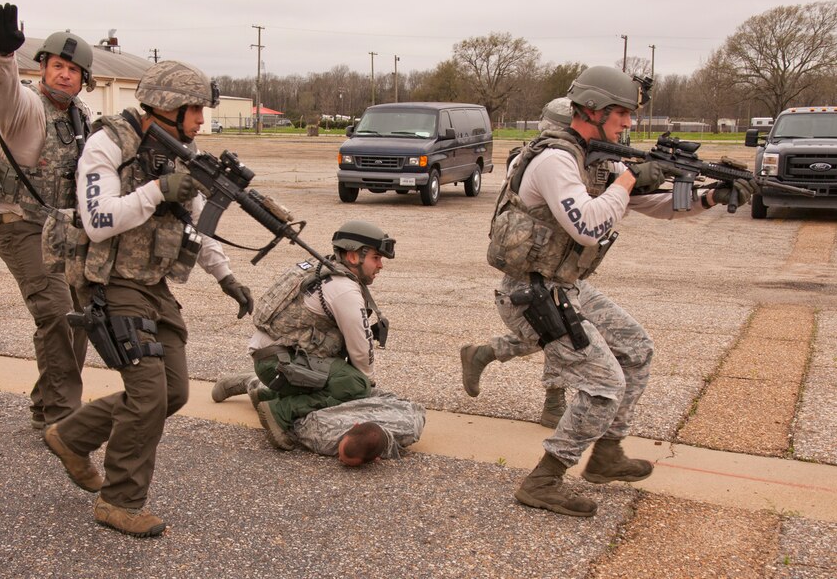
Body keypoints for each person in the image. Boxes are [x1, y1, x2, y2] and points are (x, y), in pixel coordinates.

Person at [480, 66, 758, 517]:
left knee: (636, 348)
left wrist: (710, 196)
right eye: (623, 113)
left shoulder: (596, 158)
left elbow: (653, 206)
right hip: (530, 295)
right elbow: (589, 225)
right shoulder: (556, 160)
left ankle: (606, 455)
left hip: (566, 286)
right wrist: (630, 179)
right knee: (603, 383)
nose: (629, 123)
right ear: (593, 109)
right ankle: (543, 480)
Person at [42, 60, 254, 538]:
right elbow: (98, 220)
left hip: (151, 285)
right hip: (108, 282)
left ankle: (71, 435)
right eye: (195, 108)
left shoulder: (181, 151)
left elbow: (200, 224)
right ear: (166, 106)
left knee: (173, 391)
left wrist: (226, 276)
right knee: (148, 394)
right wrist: (158, 190)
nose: (202, 119)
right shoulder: (108, 143)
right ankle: (119, 501)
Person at [0, 3, 93, 429]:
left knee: (80, 317)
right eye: (58, 65)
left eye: (73, 70)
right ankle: (63, 422)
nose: (64, 74)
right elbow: (1, 90)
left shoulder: (78, 118)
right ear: (43, 68)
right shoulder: (24, 109)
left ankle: (45, 404)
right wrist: (2, 56)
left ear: (83, 80)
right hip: (18, 224)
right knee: (56, 313)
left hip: (58, 228)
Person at [223, 220, 394, 451]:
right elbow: (361, 350)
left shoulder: (318, 268)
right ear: (354, 256)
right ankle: (280, 412)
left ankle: (265, 395)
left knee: (342, 375)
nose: (380, 265)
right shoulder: (344, 289)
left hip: (271, 359)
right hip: (279, 364)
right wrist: (364, 385)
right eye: (376, 257)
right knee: (355, 384)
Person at [461, 97, 575, 429]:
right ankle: (554, 403)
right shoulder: (546, 161)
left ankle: (482, 354)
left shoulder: (552, 158)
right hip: (530, 270)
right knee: (558, 335)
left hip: (549, 264)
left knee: (547, 334)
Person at [212, 372, 425, 464]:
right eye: (342, 456)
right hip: (324, 397)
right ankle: (248, 382)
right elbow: (294, 421)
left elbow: (407, 404)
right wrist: (356, 394)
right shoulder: (324, 437)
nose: (338, 459)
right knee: (271, 395)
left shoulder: (407, 427)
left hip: (330, 402)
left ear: (376, 459)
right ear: (355, 425)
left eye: (341, 460)